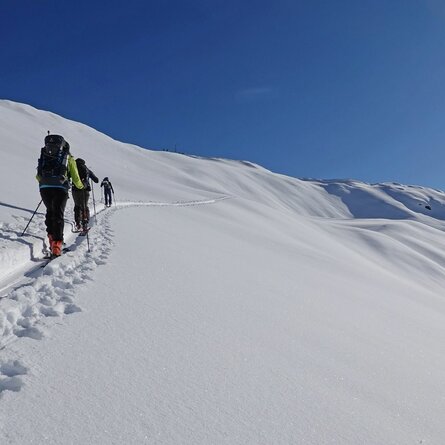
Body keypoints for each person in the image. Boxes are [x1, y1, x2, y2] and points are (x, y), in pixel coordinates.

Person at [36, 134, 84, 257]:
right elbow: (75, 177)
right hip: (60, 188)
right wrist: (80, 186)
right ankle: (57, 246)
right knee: (58, 214)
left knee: (50, 211)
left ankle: (51, 239)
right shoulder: (68, 158)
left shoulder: (45, 155)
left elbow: (38, 176)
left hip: (44, 188)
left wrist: (46, 183)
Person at [72, 158, 99, 232]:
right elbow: (96, 180)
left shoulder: (74, 168)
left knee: (77, 206)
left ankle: (78, 224)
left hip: (75, 189)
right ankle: (85, 224)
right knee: (84, 206)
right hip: (85, 190)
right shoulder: (86, 169)